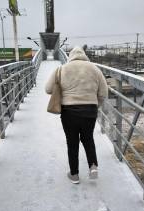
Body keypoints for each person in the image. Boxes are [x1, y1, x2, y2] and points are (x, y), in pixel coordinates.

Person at [46, 47, 108, 184]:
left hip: (69, 112)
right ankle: (93, 166)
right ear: (84, 55)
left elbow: (48, 89)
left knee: (72, 142)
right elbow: (103, 93)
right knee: (88, 139)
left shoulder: (61, 69)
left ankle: (74, 175)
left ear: (70, 56)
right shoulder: (95, 69)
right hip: (90, 110)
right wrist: (95, 105)